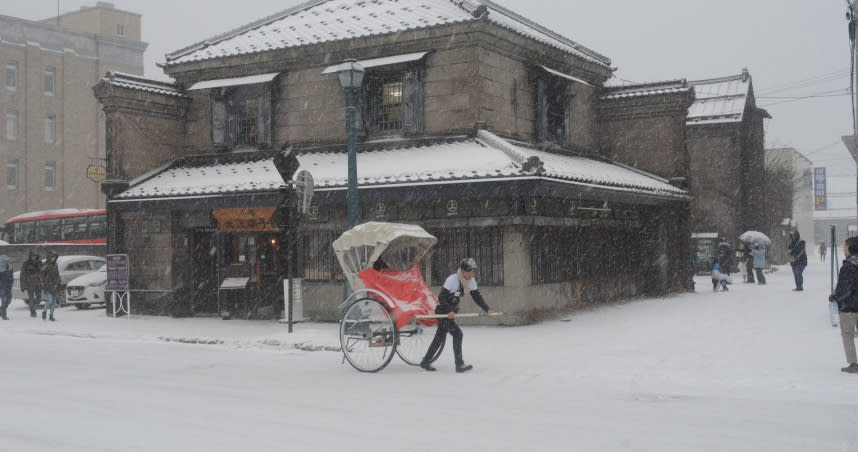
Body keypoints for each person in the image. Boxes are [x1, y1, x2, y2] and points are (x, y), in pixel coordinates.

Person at [420, 258, 491, 373]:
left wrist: (487, 309)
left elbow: (476, 296)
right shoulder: (453, 279)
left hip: (450, 312)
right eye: (470, 271)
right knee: (458, 334)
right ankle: (459, 364)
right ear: (462, 270)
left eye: (473, 271)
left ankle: (426, 361)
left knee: (439, 338)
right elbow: (441, 297)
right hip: (443, 311)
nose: (472, 274)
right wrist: (448, 311)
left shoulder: (470, 281)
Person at [828, 237, 858, 373]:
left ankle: (853, 363)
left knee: (848, 334)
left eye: (845, 247)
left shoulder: (848, 267)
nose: (843, 249)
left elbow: (844, 289)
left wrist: (834, 297)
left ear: (851, 249)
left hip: (849, 306)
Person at [20, 252, 42, 317]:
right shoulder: (26, 263)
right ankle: (32, 311)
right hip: (29, 284)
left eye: (35, 256)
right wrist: (22, 286)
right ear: (30, 256)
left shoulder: (39, 263)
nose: (34, 257)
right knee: (31, 299)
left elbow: (42, 273)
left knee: (38, 298)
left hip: (38, 283)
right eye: (33, 256)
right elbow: (22, 275)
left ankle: (33, 309)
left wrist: (42, 282)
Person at [40, 251, 61, 321]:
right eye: (52, 257)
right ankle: (44, 311)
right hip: (47, 285)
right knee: (49, 300)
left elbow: (57, 274)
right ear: (49, 257)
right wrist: (44, 282)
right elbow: (41, 275)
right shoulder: (45, 265)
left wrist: (58, 282)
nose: (53, 258)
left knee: (54, 302)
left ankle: (51, 315)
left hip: (54, 285)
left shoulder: (56, 265)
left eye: (55, 257)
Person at [0, 255, 13, 320]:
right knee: (4, 300)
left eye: (7, 260)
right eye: (5, 260)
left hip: (8, 286)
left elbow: (11, 276)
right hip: (2, 287)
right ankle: (3, 314)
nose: (7, 261)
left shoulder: (10, 267)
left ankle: (1, 309)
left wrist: (11, 281)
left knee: (9, 300)